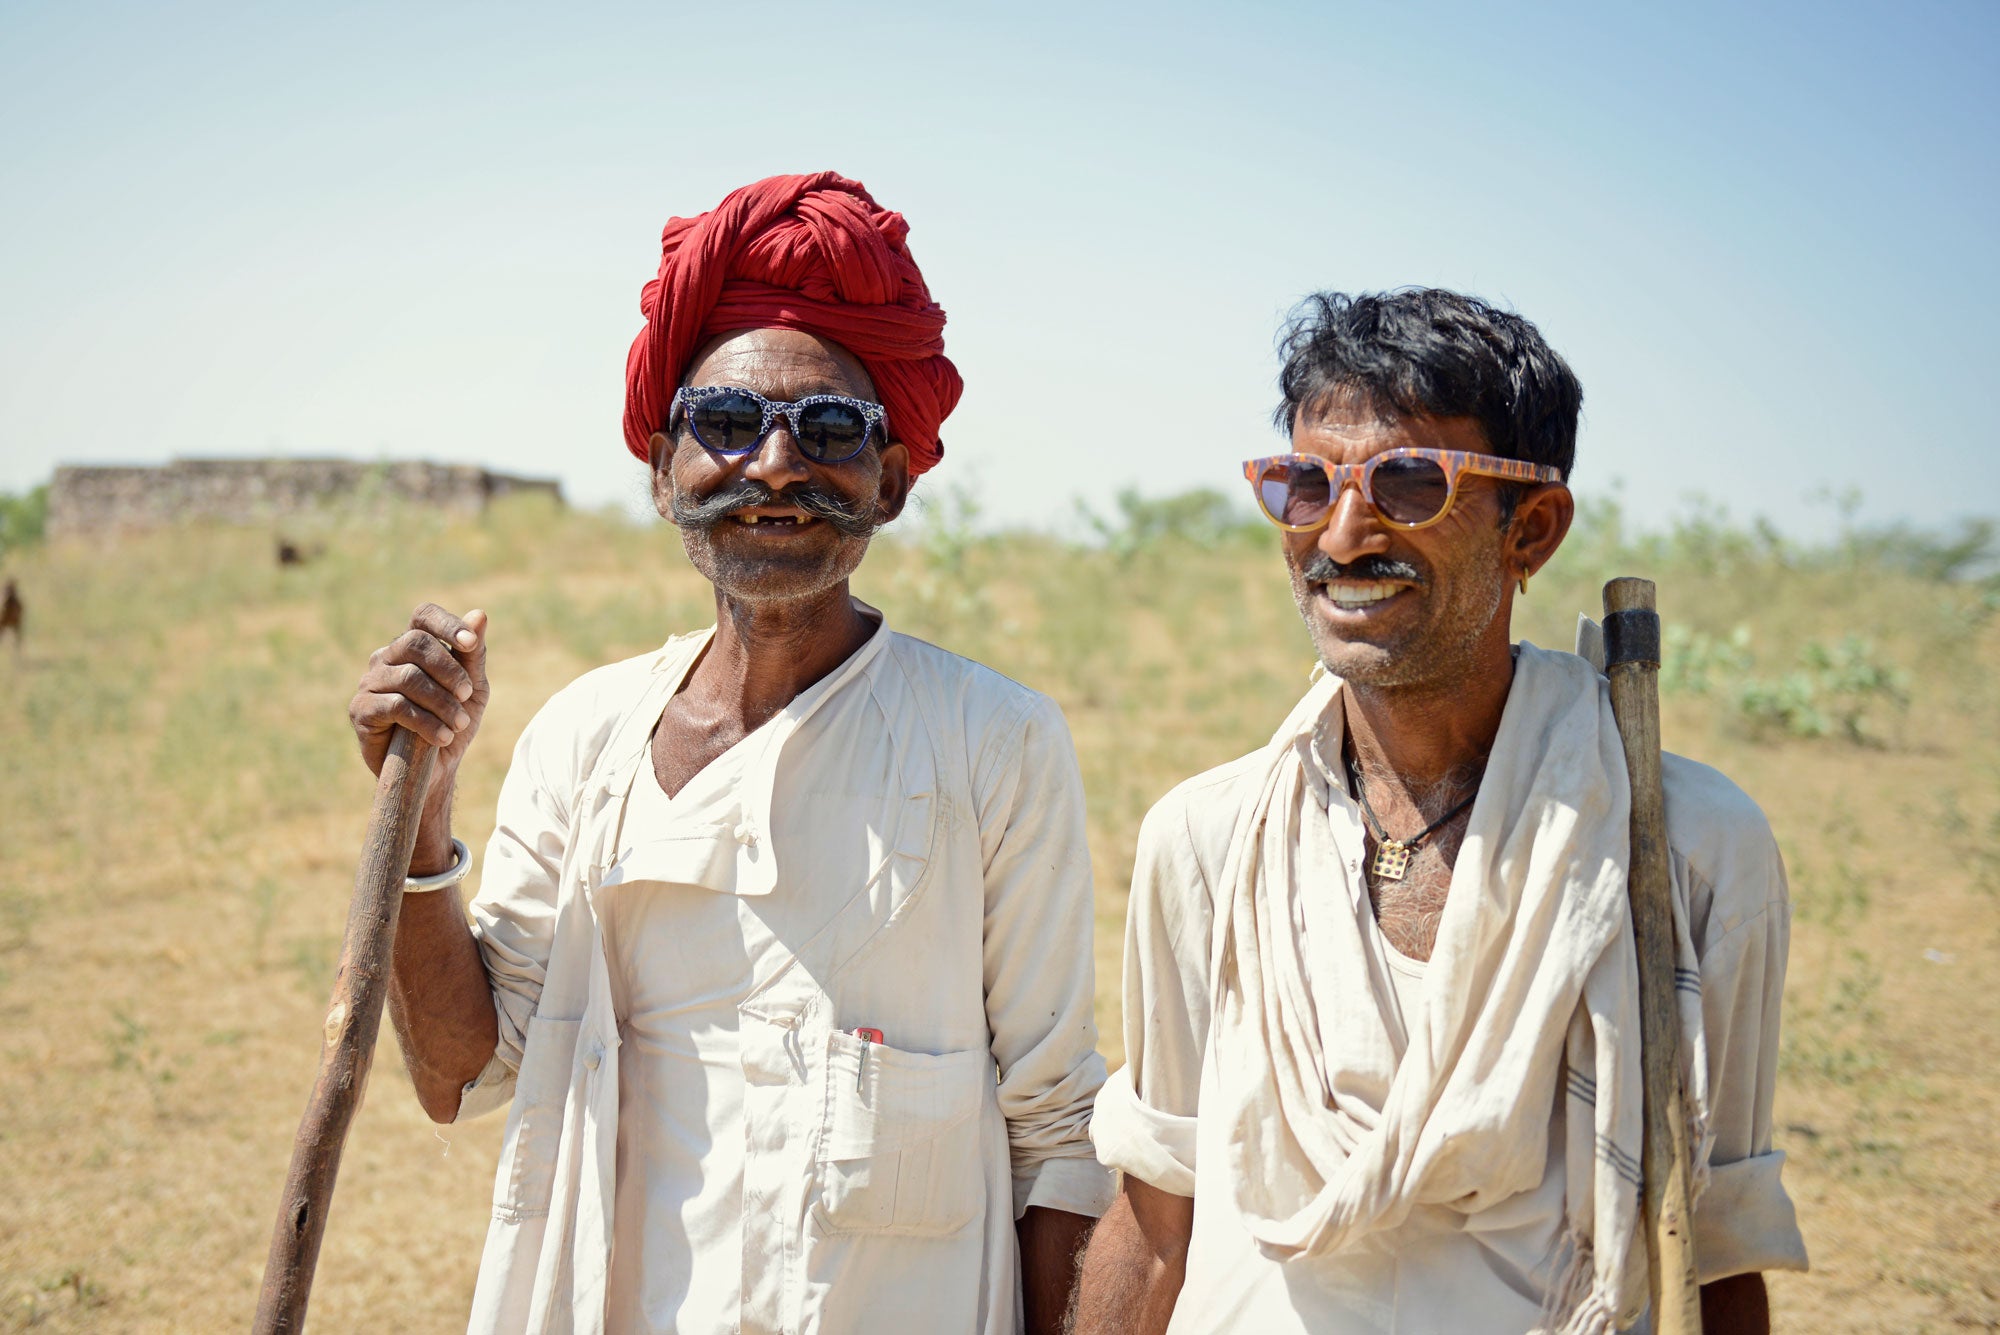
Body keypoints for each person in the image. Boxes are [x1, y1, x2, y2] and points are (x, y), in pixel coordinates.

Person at [347, 173, 1110, 1335]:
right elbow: (461, 1072)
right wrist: (424, 808)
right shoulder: (585, 737)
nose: (772, 465)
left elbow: (1055, 1136)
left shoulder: (989, 743)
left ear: (891, 482)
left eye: (830, 430)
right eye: (725, 422)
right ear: (662, 472)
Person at [1074, 290, 1807, 1335]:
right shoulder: (1205, 839)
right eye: (1303, 483)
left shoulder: (1676, 847)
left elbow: (1716, 1251)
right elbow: (1156, 1220)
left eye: (1408, 485)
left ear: (1532, 530)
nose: (1340, 533)